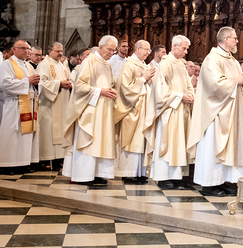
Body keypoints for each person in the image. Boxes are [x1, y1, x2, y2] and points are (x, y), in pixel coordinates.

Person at [187, 26, 243, 198]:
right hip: (215, 113)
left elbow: (237, 82)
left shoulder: (233, 60)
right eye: (234, 38)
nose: (237, 41)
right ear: (226, 39)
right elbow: (215, 84)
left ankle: (226, 181)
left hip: (231, 112)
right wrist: (236, 81)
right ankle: (209, 183)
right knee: (212, 146)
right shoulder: (212, 59)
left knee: (229, 146)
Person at [64, 35, 118, 185]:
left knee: (101, 141)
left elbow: (109, 84)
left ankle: (97, 173)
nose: (111, 53)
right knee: (89, 141)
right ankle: (84, 175)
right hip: (90, 109)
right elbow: (79, 86)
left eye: (113, 50)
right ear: (100, 47)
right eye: (109, 49)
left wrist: (112, 91)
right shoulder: (89, 61)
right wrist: (100, 91)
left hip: (104, 109)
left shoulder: (107, 65)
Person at [147, 35, 195, 188]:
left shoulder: (180, 64)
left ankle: (177, 177)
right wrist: (180, 96)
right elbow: (160, 90)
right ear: (174, 46)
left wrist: (190, 95)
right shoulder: (165, 63)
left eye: (187, 49)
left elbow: (188, 84)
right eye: (184, 48)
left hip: (181, 110)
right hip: (169, 110)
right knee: (168, 143)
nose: (186, 52)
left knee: (179, 144)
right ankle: (163, 177)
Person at [114, 40, 156, 184]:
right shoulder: (129, 65)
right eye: (146, 49)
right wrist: (143, 79)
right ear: (138, 49)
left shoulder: (144, 65)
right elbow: (125, 87)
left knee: (140, 141)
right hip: (132, 110)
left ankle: (139, 173)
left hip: (143, 109)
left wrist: (148, 80)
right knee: (131, 141)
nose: (148, 53)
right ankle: (128, 173)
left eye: (149, 50)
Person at [0, 40, 40, 173]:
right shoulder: (7, 64)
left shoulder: (28, 65)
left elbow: (34, 83)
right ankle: (7, 164)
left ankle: (23, 162)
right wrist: (27, 81)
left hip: (29, 103)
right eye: (23, 48)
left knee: (25, 136)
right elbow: (5, 83)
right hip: (14, 104)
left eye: (28, 49)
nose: (27, 51)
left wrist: (37, 83)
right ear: (14, 49)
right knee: (12, 134)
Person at [36, 42, 72, 169]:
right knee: (49, 132)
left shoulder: (62, 66)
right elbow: (41, 84)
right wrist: (59, 84)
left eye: (61, 51)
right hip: (49, 105)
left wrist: (70, 84)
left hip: (63, 103)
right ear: (49, 51)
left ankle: (58, 159)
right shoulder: (44, 65)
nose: (60, 53)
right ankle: (46, 159)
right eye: (57, 51)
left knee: (61, 131)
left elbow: (68, 80)